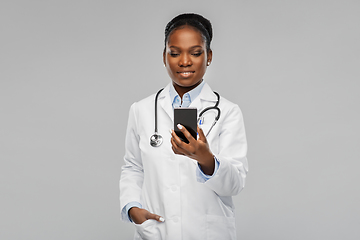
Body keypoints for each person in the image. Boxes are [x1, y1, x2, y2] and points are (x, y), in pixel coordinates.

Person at [119, 13, 248, 240]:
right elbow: (133, 166)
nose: (184, 61)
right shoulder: (141, 109)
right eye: (175, 53)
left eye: (196, 53)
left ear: (208, 56)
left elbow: (235, 183)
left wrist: (206, 159)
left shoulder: (228, 112)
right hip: (157, 231)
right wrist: (132, 207)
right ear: (164, 56)